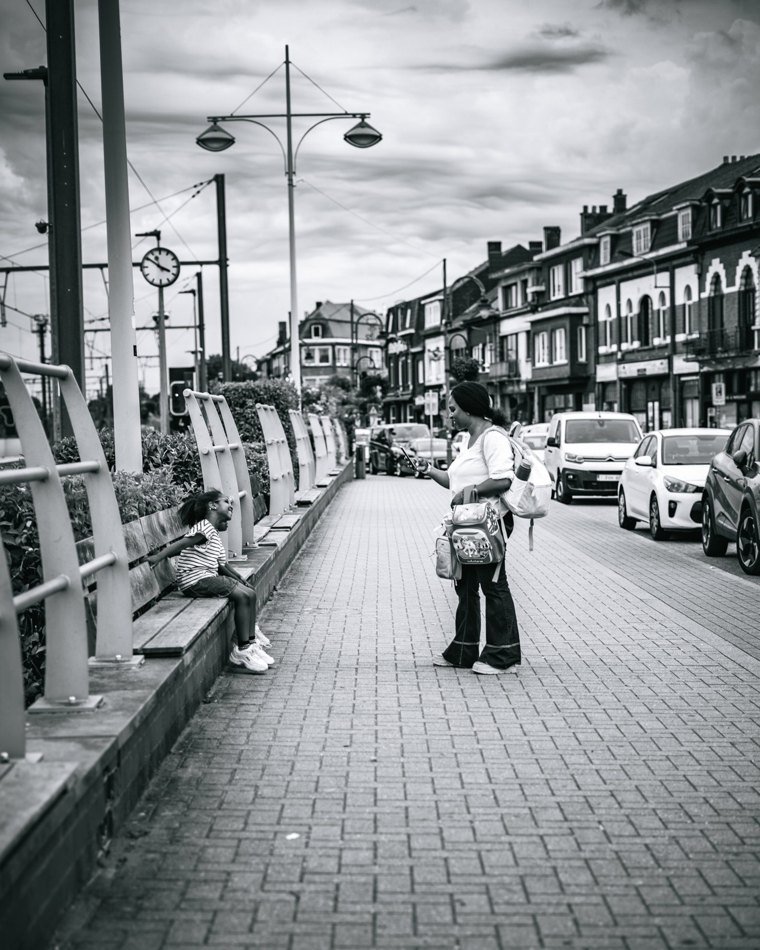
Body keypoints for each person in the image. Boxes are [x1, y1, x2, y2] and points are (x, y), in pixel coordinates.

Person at [415, 381, 522, 675]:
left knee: (493, 585)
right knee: (465, 586)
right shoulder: (469, 439)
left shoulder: (493, 438)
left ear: (469, 408)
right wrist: (428, 469)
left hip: (489, 523)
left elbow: (503, 479)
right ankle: (463, 650)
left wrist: (471, 491)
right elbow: (454, 480)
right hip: (468, 524)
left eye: (453, 409)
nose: (449, 415)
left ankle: (504, 657)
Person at [147, 488, 273, 674]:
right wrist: (158, 557)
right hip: (195, 580)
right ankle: (242, 648)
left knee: (248, 592)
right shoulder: (203, 527)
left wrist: (240, 580)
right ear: (213, 505)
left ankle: (249, 642)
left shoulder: (212, 533)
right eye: (225, 501)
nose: (230, 505)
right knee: (239, 593)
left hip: (204, 578)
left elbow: (222, 566)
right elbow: (182, 544)